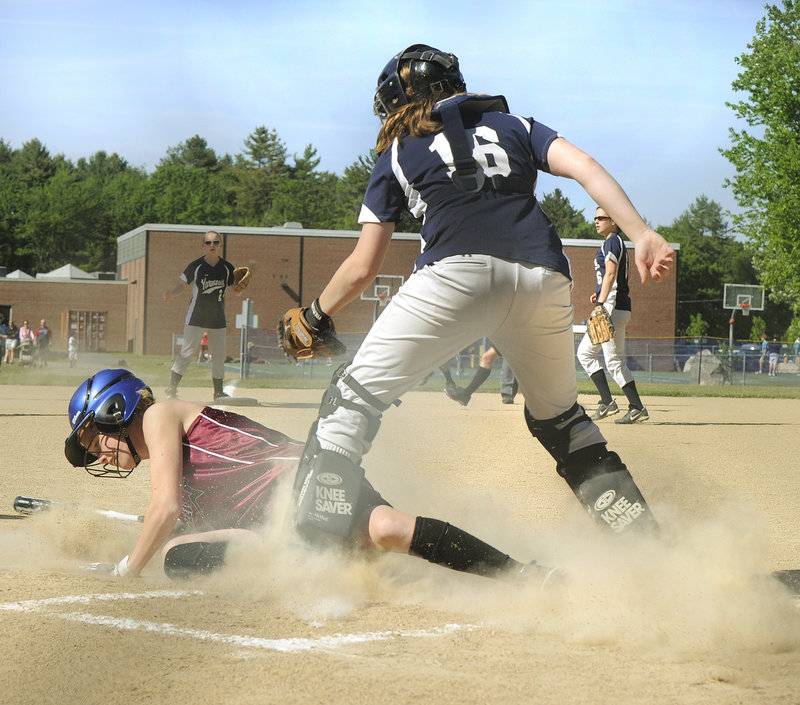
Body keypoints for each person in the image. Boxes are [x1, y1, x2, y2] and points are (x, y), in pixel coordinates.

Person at [282, 44, 674, 548]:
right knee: (563, 421)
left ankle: (316, 545)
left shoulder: (399, 149)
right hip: (543, 277)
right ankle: (644, 544)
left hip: (455, 276)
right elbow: (586, 166)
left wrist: (315, 314)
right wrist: (640, 231)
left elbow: (363, 267)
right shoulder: (514, 125)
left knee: (351, 399)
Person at [64, 368, 556, 583]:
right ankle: (522, 575)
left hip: (308, 482)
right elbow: (181, 514)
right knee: (179, 554)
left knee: (387, 529)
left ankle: (523, 574)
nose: (100, 455)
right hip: (287, 523)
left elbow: (163, 508)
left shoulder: (158, 415)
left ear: (116, 409)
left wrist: (127, 569)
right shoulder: (170, 463)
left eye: (96, 440)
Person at [577, 207, 649, 424]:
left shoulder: (612, 241)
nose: (596, 221)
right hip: (618, 307)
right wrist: (599, 293)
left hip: (610, 307)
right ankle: (635, 407)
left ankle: (609, 402)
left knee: (585, 354)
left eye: (601, 218)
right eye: (595, 217)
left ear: (614, 221)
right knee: (615, 361)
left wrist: (600, 303)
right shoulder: (614, 242)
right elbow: (611, 276)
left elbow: (610, 273)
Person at [163, 231, 239, 401]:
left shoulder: (227, 268)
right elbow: (182, 285)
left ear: (221, 245)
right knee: (187, 353)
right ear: (203, 245)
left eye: (216, 242)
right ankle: (172, 388)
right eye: (208, 242)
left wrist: (242, 283)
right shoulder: (196, 266)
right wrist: (170, 294)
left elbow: (236, 289)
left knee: (219, 356)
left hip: (217, 318)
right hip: (196, 317)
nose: (212, 245)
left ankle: (218, 392)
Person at [445, 344, 517, 406]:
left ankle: (466, 394)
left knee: (488, 358)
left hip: (516, 336)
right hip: (513, 336)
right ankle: (466, 394)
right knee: (487, 358)